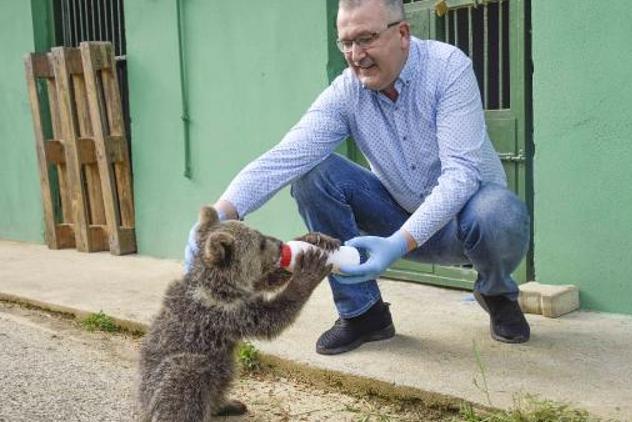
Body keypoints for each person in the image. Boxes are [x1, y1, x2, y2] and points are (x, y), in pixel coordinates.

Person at [185, 0, 531, 355]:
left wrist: (397, 243)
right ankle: (363, 313)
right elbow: (286, 156)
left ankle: (496, 292)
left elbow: (460, 177)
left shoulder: (447, 68)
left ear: (402, 34)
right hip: (396, 216)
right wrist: (221, 214)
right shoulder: (346, 92)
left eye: (366, 39)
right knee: (313, 175)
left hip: (466, 227)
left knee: (498, 211)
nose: (356, 55)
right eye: (346, 43)